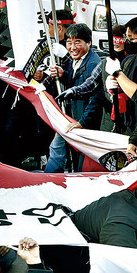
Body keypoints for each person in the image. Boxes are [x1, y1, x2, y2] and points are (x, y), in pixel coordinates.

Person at [44, 24, 103, 172]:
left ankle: (50, 179)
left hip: (83, 120)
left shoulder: (93, 64)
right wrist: (63, 75)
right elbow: (74, 82)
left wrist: (82, 122)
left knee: (79, 158)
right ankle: (50, 178)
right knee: (58, 148)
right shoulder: (75, 60)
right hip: (71, 116)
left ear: (88, 43)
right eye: (69, 42)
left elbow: (95, 98)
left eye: (77, 42)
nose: (72, 47)